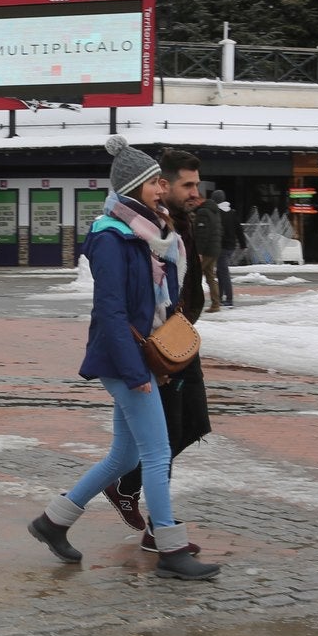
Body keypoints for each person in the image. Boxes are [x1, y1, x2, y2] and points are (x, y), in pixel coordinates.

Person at [27, 136, 221, 581]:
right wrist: (137, 373)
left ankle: (52, 522)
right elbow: (110, 312)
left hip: (139, 359)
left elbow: (160, 300)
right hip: (122, 361)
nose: (161, 188)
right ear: (135, 188)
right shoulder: (111, 237)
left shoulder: (149, 234)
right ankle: (170, 550)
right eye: (154, 182)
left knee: (124, 459)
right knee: (156, 453)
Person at [100, 148, 214, 555]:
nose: (194, 192)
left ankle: (124, 488)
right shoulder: (147, 229)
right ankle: (158, 529)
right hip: (156, 346)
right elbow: (123, 303)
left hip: (181, 338)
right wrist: (139, 361)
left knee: (191, 425)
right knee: (157, 440)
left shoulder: (176, 222)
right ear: (160, 185)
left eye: (196, 184)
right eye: (187, 184)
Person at [193, 184, 223, 313]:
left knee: (194, 276)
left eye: (194, 200)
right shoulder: (214, 211)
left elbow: (202, 234)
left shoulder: (203, 212)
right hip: (214, 248)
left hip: (206, 250)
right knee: (210, 276)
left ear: (199, 199)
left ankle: (193, 304)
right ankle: (216, 304)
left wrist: (199, 252)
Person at [215, 188, 247, 307]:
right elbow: (239, 229)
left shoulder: (217, 213)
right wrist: (243, 244)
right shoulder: (232, 212)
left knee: (223, 272)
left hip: (222, 247)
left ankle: (229, 299)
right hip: (230, 246)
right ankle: (220, 297)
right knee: (220, 271)